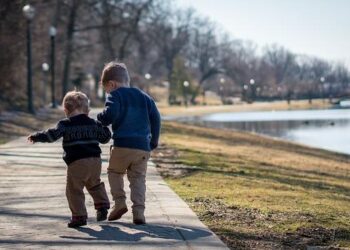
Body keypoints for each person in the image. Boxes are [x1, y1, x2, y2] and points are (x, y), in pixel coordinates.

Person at [27, 91, 111, 228]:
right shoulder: (94, 123)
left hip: (77, 162)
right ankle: (102, 206)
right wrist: (104, 128)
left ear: (66, 110)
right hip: (95, 161)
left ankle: (79, 216)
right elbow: (105, 138)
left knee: (74, 189)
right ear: (87, 110)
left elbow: (52, 135)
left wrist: (37, 137)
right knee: (94, 183)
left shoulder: (65, 124)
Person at [97, 61, 161, 225]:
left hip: (122, 145)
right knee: (138, 178)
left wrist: (101, 118)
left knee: (114, 172)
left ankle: (119, 203)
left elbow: (110, 115)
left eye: (107, 90)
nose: (107, 93)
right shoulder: (145, 97)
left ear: (112, 84)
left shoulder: (115, 95)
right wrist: (153, 141)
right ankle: (139, 212)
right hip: (142, 147)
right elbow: (156, 118)